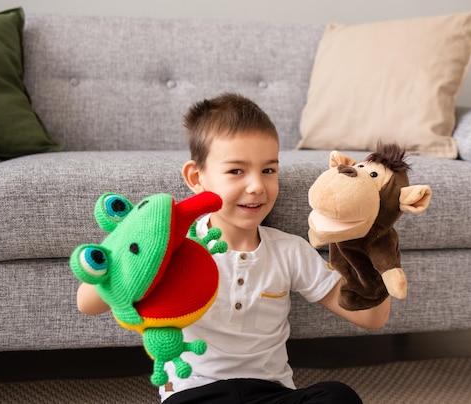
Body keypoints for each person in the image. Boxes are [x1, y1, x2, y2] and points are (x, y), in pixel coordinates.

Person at [76, 93, 391, 403]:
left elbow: (371, 318)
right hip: (194, 393)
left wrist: (372, 243)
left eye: (268, 170)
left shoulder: (289, 251)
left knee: (338, 396)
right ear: (196, 178)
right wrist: (139, 246)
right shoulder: (176, 248)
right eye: (236, 171)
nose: (256, 186)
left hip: (271, 392)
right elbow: (87, 304)